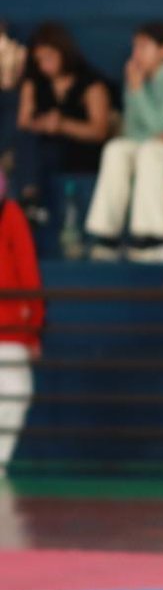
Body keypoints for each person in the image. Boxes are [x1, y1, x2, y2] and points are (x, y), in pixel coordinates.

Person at [84, 22, 163, 264]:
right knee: (116, 149)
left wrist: (138, 90)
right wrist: (137, 90)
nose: (136, 54)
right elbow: (132, 131)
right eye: (135, 47)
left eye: (143, 47)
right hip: (155, 146)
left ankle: (151, 239)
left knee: (150, 152)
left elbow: (159, 125)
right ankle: (106, 235)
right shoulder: (136, 78)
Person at [11, 22, 112, 225]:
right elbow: (23, 123)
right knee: (28, 144)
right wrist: (43, 125)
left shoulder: (90, 83)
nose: (44, 66)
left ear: (63, 52)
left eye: (49, 57)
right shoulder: (35, 82)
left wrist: (63, 125)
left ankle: (30, 204)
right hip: (44, 149)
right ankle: (30, 203)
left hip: (80, 150)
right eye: (39, 60)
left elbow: (100, 131)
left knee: (36, 152)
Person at [0, 188, 42, 475]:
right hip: (11, 331)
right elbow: (29, 276)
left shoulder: (11, 214)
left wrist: (31, 331)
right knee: (16, 391)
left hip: (10, 331)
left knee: (15, 392)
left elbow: (28, 275)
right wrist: (32, 332)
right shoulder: (11, 213)